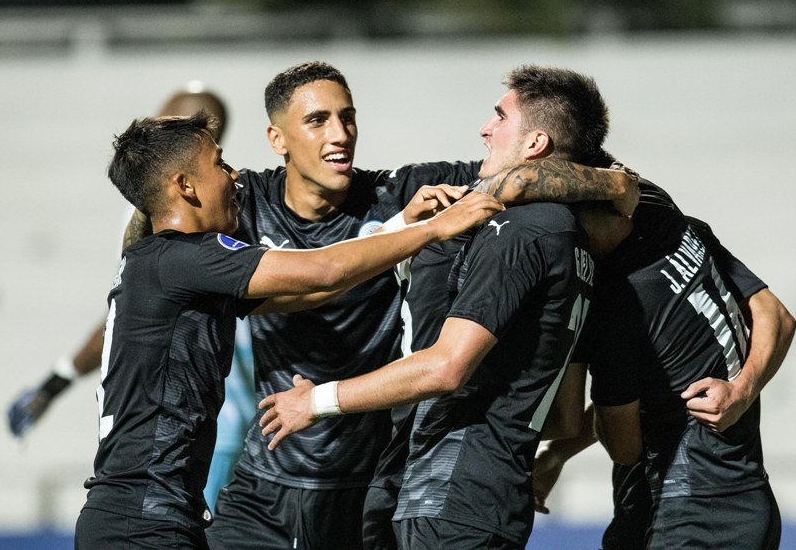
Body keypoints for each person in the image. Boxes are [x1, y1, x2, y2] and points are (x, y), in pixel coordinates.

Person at [203, 62, 638, 550]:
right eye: (318, 120)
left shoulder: (400, 192)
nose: (340, 134)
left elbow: (531, 171)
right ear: (277, 139)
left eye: (348, 117)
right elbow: (164, 229)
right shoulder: (244, 203)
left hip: (367, 487)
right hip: (267, 478)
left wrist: (615, 184)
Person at [73, 112, 503, 549]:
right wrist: (433, 230)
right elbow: (321, 270)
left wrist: (399, 226)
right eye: (219, 164)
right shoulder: (187, 257)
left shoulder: (165, 267)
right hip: (144, 523)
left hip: (144, 516)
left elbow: (308, 294)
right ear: (185, 186)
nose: (233, 175)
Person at [5, 83, 258, 510]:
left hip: (188, 430)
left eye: (165, 122)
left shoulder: (169, 211)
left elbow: (130, 313)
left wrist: (54, 383)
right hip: (221, 423)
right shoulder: (232, 202)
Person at [535, 180, 796, 549]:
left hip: (694, 515)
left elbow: (623, 443)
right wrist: (742, 389)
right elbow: (777, 315)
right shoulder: (683, 234)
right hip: (730, 501)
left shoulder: (616, 306)